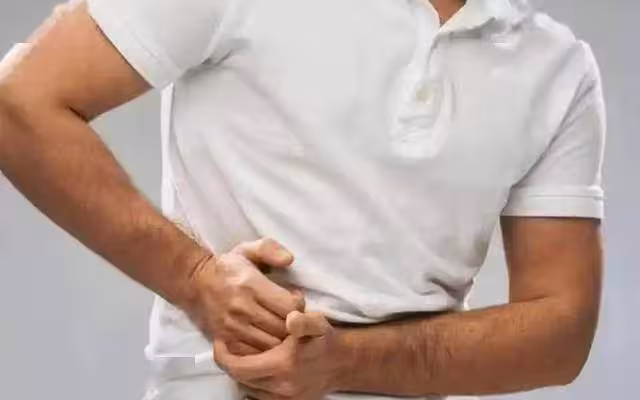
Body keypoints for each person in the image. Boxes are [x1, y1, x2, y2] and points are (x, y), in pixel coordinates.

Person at [0, 0, 606, 398]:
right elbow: (20, 103)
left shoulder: (558, 68)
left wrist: (347, 361)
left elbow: (562, 330)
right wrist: (195, 279)